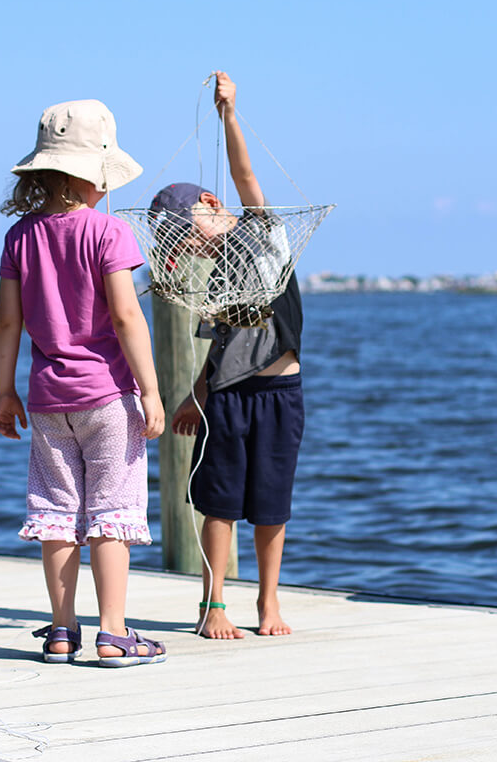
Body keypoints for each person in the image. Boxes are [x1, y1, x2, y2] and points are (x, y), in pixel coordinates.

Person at [0, 98, 167, 666]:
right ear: (95, 173)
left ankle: (63, 631)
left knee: (56, 513)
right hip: (109, 397)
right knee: (112, 513)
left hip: (46, 399)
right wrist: (153, 390)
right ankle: (114, 633)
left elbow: (8, 321)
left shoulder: (20, 238)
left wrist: (3, 390)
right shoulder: (109, 232)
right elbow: (125, 317)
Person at [162, 71, 305, 640]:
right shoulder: (216, 274)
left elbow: (246, 175)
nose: (185, 245)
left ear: (210, 205)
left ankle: (269, 604)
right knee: (217, 503)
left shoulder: (263, 232)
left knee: (271, 504)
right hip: (225, 397)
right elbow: (220, 346)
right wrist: (194, 395)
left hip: (278, 393)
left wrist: (228, 115)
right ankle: (213, 604)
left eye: (185, 231)